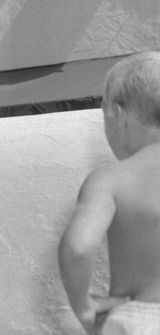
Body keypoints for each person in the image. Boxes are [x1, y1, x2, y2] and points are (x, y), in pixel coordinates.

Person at [58, 51, 160, 334]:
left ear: (116, 114)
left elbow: (78, 248)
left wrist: (84, 306)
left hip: (142, 319)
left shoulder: (112, 179)